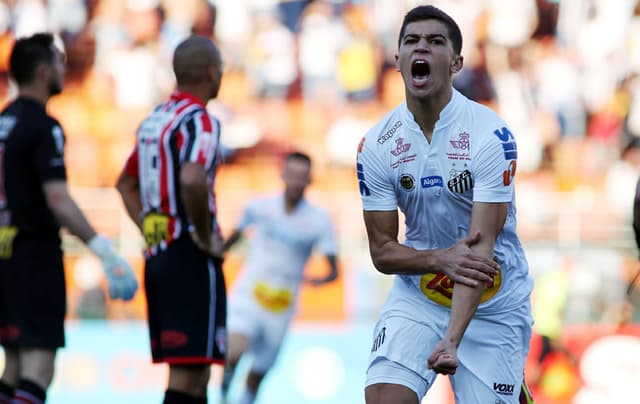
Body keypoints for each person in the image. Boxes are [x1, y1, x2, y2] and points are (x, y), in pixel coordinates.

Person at [356, 5, 535, 404]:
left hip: (493, 299)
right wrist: (439, 260)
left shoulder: (491, 135)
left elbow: (479, 251)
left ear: (456, 63)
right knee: (385, 398)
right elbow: (383, 252)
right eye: (411, 41)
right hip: (421, 295)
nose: (422, 48)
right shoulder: (376, 146)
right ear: (397, 60)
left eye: (435, 42)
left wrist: (451, 341)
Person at [0, 33, 138, 404]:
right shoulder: (44, 127)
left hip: (4, 255)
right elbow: (58, 199)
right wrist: (104, 250)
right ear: (44, 71)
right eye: (60, 63)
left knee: (12, 367)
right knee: (38, 367)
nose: (65, 69)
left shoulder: (4, 122)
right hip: (33, 255)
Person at [116, 34, 226, 404]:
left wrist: (153, 230)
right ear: (212, 73)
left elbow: (125, 183)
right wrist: (202, 234)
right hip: (189, 258)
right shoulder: (200, 121)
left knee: (195, 372)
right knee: (189, 373)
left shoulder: (155, 120)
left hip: (159, 254)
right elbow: (193, 178)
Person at [220, 151, 339, 404]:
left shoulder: (319, 221)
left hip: (281, 306)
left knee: (257, 375)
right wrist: (216, 253)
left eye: (302, 177)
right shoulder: (259, 207)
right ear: (283, 175)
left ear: (310, 180)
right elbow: (233, 238)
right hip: (249, 296)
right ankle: (222, 394)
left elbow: (333, 269)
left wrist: (319, 280)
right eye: (292, 175)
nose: (296, 182)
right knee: (234, 351)